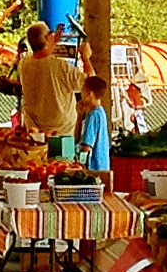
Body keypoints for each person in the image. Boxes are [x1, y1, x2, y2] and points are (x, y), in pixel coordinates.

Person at [12, 24, 81, 156]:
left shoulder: (24, 65)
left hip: (35, 135)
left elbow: (43, 58)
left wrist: (52, 42)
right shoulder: (61, 66)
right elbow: (88, 83)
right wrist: (86, 58)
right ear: (48, 37)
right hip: (62, 134)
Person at [73, 73, 111, 174]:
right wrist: (80, 116)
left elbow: (87, 146)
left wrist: (76, 161)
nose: (80, 94)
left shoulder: (93, 115)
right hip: (103, 166)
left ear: (89, 94)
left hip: (94, 168)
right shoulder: (100, 112)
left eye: (82, 91)